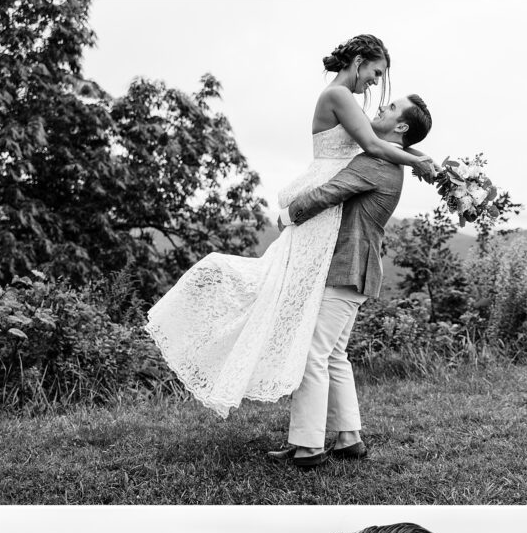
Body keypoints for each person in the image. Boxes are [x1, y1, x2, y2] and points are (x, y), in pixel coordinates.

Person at [145, 35, 437, 421]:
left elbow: (384, 140)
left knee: (319, 346)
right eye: (376, 72)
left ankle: (319, 441)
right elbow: (374, 142)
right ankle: (326, 433)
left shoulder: (351, 104)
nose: (376, 84)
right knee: (294, 312)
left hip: (332, 210)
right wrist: (419, 163)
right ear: (359, 61)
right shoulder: (339, 97)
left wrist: (424, 159)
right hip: (324, 199)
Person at [267, 95, 432, 468]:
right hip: (358, 270)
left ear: (401, 127)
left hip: (346, 268)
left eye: (390, 109)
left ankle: (308, 447)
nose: (380, 108)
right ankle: (348, 438)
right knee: (335, 355)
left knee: (313, 353)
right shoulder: (389, 161)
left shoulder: (376, 162)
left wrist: (288, 214)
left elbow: (330, 192)